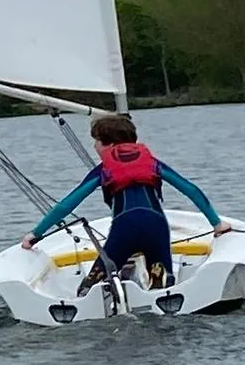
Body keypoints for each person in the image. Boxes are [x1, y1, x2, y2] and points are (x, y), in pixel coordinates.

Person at [20, 114, 231, 293]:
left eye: (96, 142)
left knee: (89, 289)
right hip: (156, 227)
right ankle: (162, 288)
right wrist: (216, 224)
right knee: (164, 287)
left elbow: (66, 205)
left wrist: (35, 234)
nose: (94, 146)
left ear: (109, 144)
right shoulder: (152, 163)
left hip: (124, 230)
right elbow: (191, 190)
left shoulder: (104, 170)